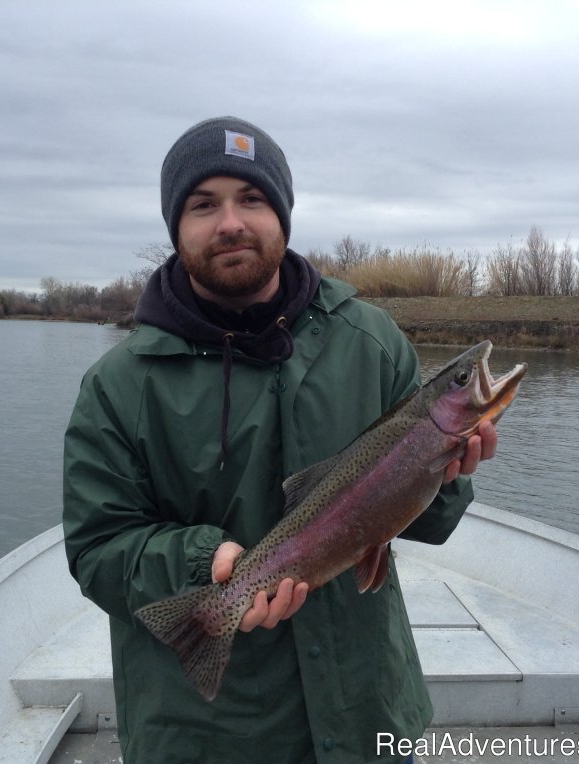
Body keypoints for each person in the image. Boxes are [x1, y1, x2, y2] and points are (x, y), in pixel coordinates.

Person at [62, 116, 497, 764]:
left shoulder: (373, 344)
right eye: (204, 205)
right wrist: (203, 566)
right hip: (204, 739)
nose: (231, 222)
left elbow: (421, 524)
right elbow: (98, 549)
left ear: (283, 213)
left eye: (252, 198)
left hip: (366, 717)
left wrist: (447, 475)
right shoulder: (118, 387)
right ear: (175, 228)